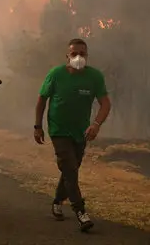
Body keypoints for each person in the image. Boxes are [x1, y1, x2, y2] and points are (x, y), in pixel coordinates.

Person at [34, 38, 111, 232]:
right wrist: (38, 126)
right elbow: (42, 99)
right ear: (67, 56)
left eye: (82, 54)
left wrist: (96, 125)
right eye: (74, 53)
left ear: (87, 56)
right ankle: (80, 212)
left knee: (71, 169)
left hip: (81, 132)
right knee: (69, 168)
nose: (78, 57)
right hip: (58, 130)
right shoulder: (56, 74)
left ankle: (58, 200)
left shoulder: (94, 77)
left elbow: (105, 103)